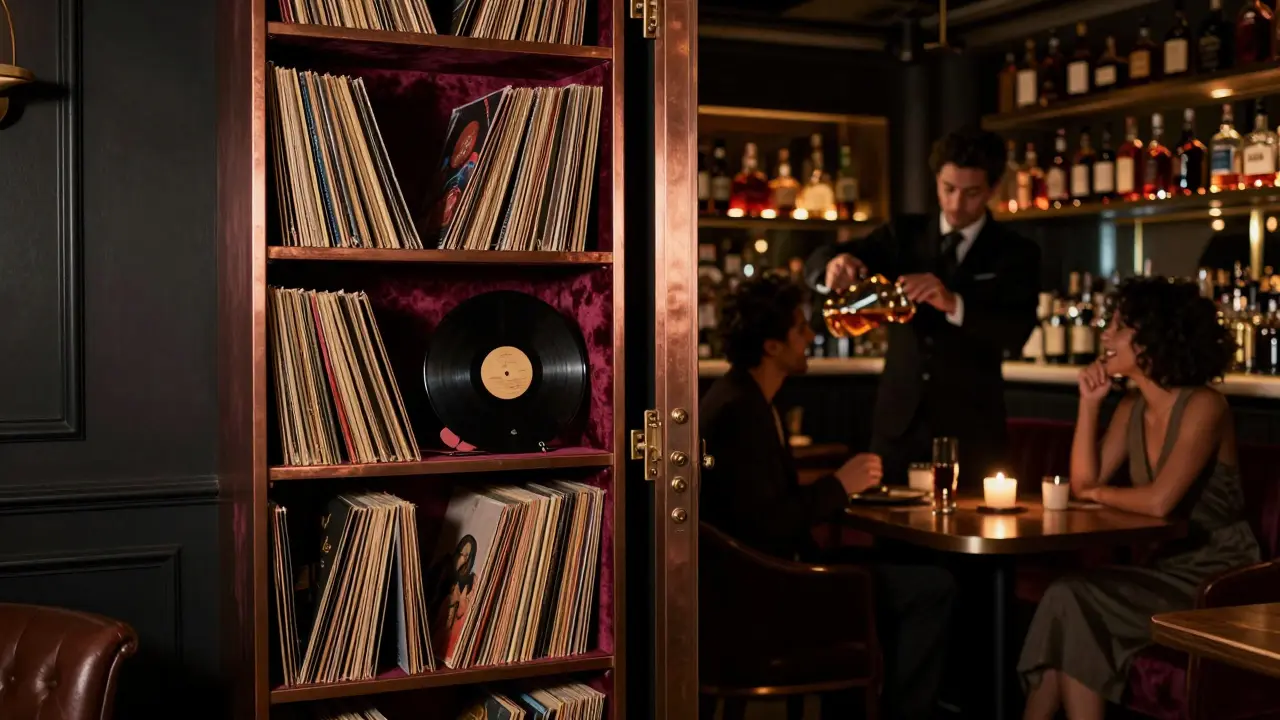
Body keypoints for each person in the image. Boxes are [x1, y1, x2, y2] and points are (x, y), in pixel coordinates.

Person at [700, 272, 956, 720]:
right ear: (771, 346)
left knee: (889, 583)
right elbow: (768, 522)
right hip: (765, 595)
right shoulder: (741, 411)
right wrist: (841, 485)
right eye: (800, 328)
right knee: (933, 587)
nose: (812, 336)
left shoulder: (744, 397)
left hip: (751, 585)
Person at [1018, 277, 1261, 720]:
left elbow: (1158, 503)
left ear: (1155, 338)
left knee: (1069, 600)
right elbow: (1084, 482)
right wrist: (1089, 405)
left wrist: (1092, 492)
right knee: (1068, 602)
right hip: (1165, 570)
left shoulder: (1205, 406)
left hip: (1222, 582)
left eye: (1119, 326)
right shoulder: (1130, 407)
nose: (1105, 335)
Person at [804, 126, 1041, 492]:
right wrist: (833, 267)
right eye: (948, 189)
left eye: (972, 193)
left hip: (973, 430)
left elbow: (1016, 331)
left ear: (993, 190)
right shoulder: (905, 234)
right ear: (936, 181)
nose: (957, 204)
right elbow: (825, 258)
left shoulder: (1016, 253)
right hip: (897, 429)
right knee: (890, 541)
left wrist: (954, 303)